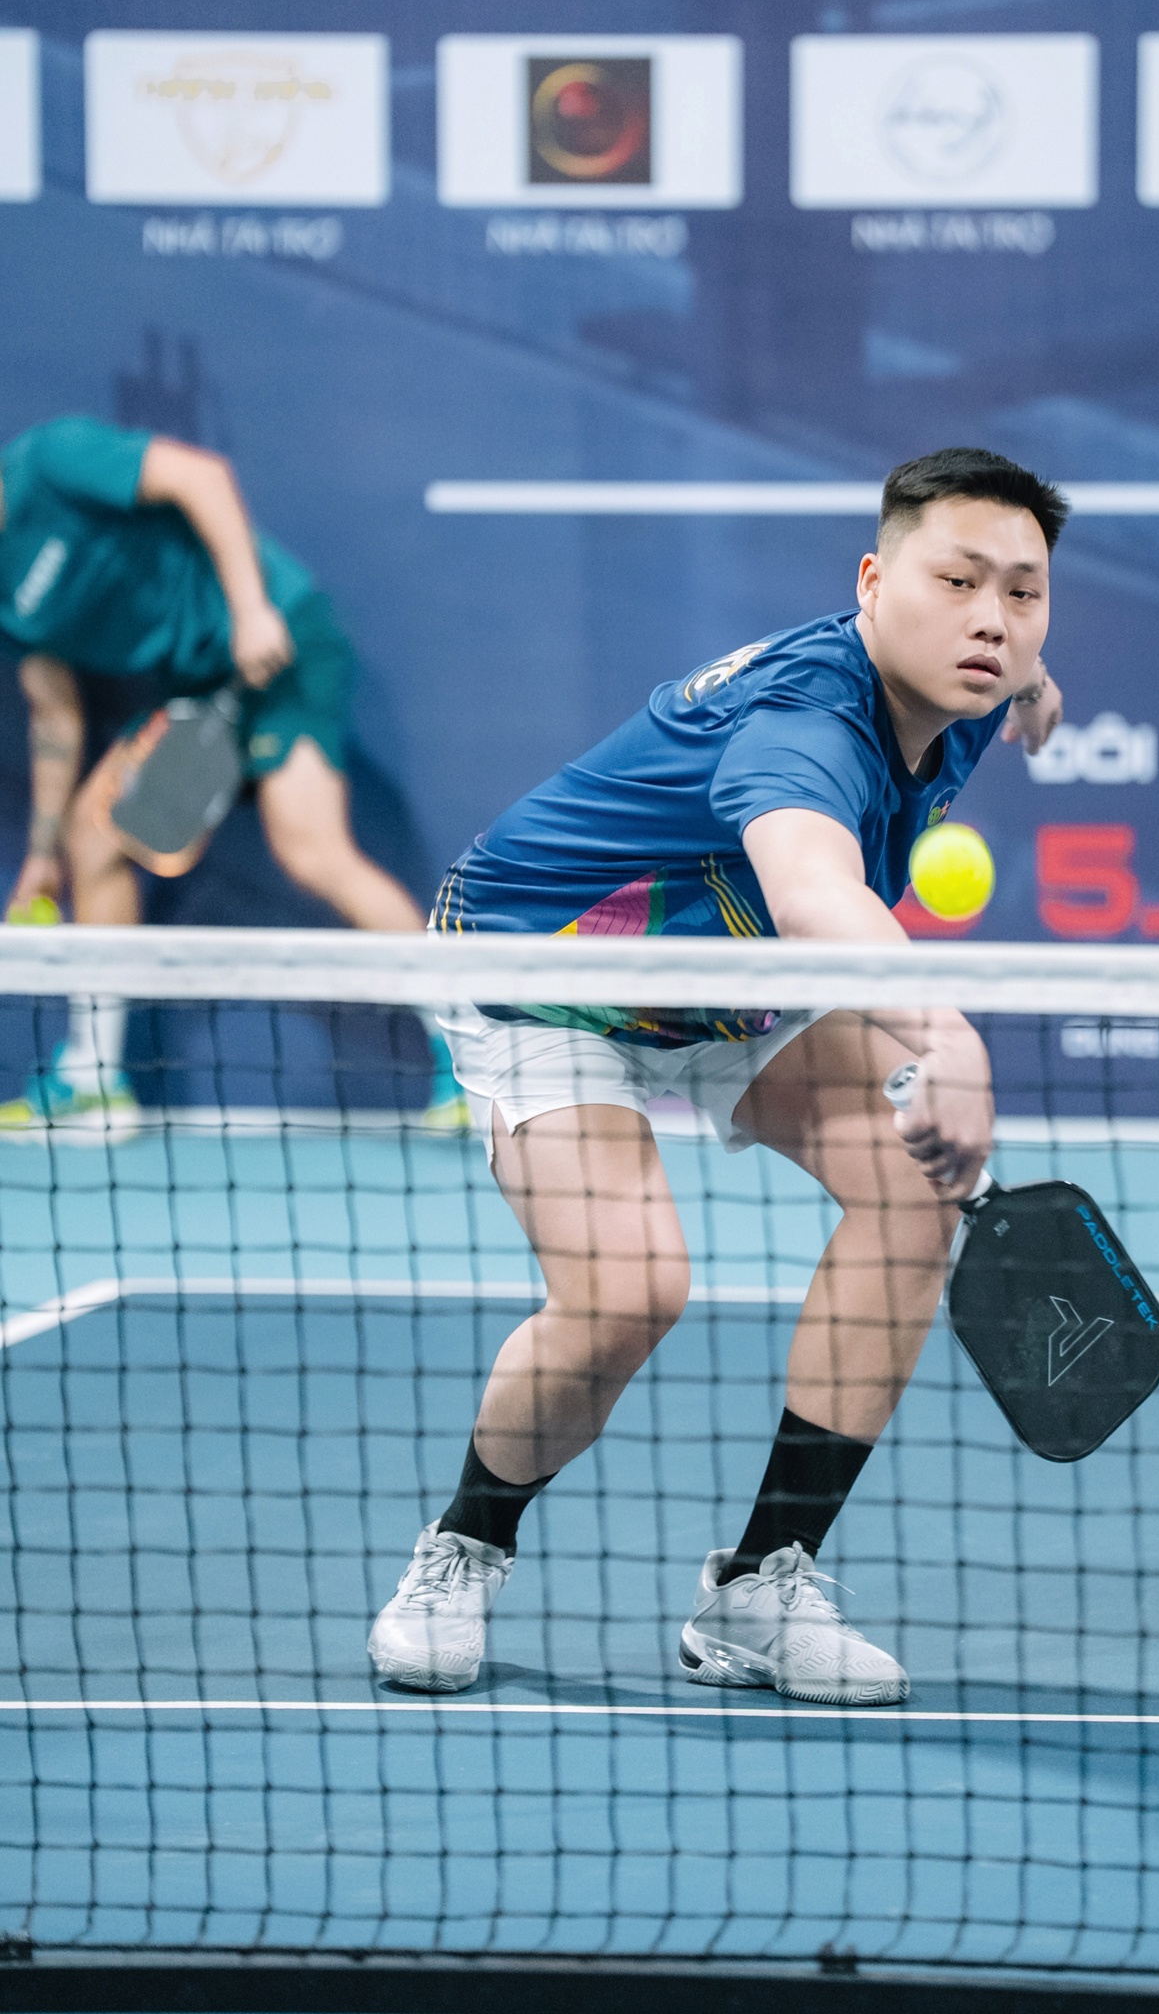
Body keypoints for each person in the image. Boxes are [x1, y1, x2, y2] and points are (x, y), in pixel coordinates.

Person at [368, 446, 1066, 1704]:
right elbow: (810, 893)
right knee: (629, 1291)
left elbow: (1010, 661)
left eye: (1022, 594)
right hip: (551, 973)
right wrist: (945, 1035)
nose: (991, 619)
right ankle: (465, 1545)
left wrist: (1033, 689)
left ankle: (760, 1585)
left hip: (730, 985)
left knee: (913, 1191)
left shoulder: (971, 679)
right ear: (872, 583)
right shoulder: (802, 727)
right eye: (958, 581)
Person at [0, 414, 465, 1134]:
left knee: (314, 854)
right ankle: (92, 1080)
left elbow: (201, 477)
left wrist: (250, 612)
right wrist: (39, 852)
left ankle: (469, 1061)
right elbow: (54, 715)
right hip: (202, 684)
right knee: (91, 844)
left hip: (285, 639)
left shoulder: (52, 461)